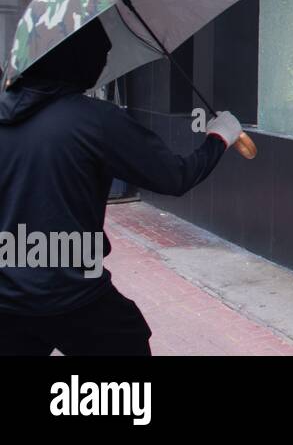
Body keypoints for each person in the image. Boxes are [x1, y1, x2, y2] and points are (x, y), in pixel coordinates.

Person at [0, 20, 243, 355]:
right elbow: (174, 176)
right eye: (99, 55)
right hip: (74, 293)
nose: (102, 65)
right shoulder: (95, 120)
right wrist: (219, 138)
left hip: (8, 297)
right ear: (79, 60)